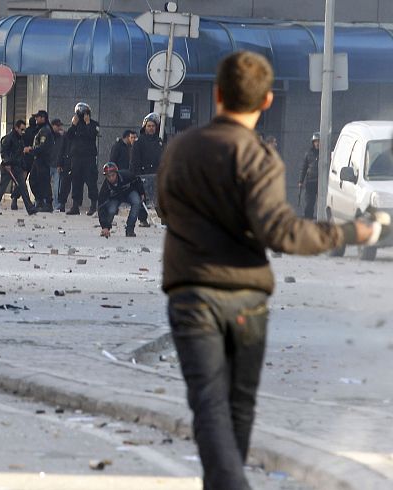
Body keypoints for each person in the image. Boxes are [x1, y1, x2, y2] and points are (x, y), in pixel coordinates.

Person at [157, 50, 388, 490]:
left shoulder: (180, 149)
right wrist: (352, 234)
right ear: (266, 102)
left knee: (208, 401)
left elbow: (164, 208)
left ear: (217, 93)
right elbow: (280, 232)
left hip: (189, 292)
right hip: (245, 296)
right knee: (239, 403)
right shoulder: (259, 157)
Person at [0, 120, 36, 215]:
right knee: (2, 187)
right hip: (8, 167)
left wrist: (23, 167)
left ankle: (30, 208)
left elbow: (20, 154)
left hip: (17, 166)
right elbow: (4, 152)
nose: (23, 131)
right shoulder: (9, 138)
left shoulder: (20, 139)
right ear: (16, 128)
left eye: (24, 129)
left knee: (23, 187)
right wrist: (7, 163)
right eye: (21, 129)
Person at [65, 102, 100, 216]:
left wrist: (88, 123)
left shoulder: (93, 124)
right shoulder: (76, 124)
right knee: (76, 181)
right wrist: (73, 125)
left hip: (89, 158)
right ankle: (75, 206)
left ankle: (93, 205)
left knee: (91, 181)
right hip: (76, 158)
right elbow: (68, 137)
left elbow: (92, 135)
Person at [132, 112, 163, 227]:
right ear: (145, 127)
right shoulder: (138, 142)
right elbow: (135, 161)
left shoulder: (159, 142)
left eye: (153, 126)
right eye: (149, 126)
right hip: (143, 174)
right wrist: (136, 176)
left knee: (159, 198)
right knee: (142, 198)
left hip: (156, 175)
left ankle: (164, 219)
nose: (151, 128)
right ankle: (143, 220)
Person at [97, 162, 145, 238]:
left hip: (129, 193)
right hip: (115, 198)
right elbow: (101, 207)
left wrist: (142, 193)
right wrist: (104, 226)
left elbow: (137, 180)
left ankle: (130, 229)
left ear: (117, 173)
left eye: (113, 175)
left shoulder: (126, 175)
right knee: (111, 210)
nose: (111, 178)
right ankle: (106, 229)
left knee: (136, 202)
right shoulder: (105, 188)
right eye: (108, 176)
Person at [33, 117, 64, 212]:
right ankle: (43, 202)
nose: (59, 129)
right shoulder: (48, 134)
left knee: (55, 187)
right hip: (49, 163)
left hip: (56, 164)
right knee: (44, 184)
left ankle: (54, 205)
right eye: (57, 126)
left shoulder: (60, 137)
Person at [28, 110, 53, 212]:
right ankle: (39, 200)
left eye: (38, 117)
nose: (36, 119)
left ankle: (48, 203)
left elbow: (42, 147)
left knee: (44, 181)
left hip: (43, 159)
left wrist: (31, 150)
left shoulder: (45, 130)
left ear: (43, 118)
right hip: (37, 159)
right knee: (33, 180)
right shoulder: (41, 129)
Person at [298, 131, 320, 219]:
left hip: (321, 182)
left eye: (318, 141)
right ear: (313, 143)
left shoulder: (325, 153)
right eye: (315, 141)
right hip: (310, 182)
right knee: (309, 203)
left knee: (323, 203)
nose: (317, 143)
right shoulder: (309, 153)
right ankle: (308, 220)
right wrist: (300, 181)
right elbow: (303, 168)